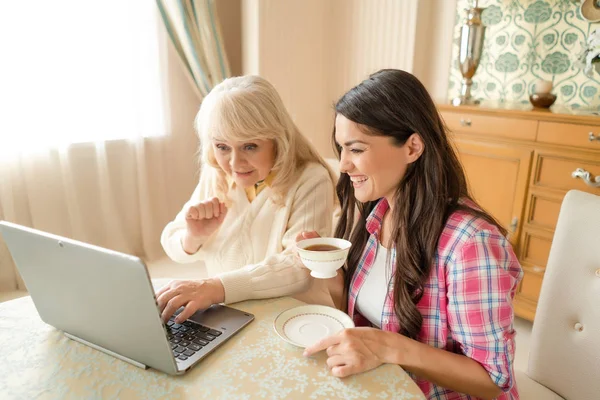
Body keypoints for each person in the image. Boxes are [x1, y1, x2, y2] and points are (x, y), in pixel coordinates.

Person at [298, 69, 523, 399]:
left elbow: (493, 380)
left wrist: (391, 348)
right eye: (341, 148)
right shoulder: (379, 214)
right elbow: (363, 315)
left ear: (413, 147)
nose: (343, 165)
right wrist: (327, 274)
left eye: (356, 149)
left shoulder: (471, 244)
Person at [158, 75, 338, 324]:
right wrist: (193, 237)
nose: (234, 163)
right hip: (229, 314)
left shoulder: (311, 179)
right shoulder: (216, 174)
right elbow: (172, 243)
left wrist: (214, 287)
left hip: (293, 319)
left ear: (278, 140)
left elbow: (299, 268)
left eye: (250, 146)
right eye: (222, 147)